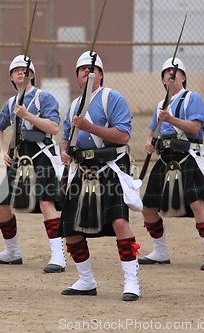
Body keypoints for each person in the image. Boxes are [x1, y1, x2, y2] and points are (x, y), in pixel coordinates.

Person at [59, 51, 140, 301]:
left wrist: (89, 127)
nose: (86, 72)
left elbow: (123, 137)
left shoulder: (111, 98)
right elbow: (65, 136)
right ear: (77, 76)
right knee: (70, 228)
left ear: (101, 74)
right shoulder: (73, 104)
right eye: (82, 69)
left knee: (119, 223)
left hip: (109, 167)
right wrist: (64, 152)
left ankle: (131, 281)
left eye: (91, 69)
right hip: (82, 171)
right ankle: (86, 281)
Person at [0, 55, 66, 273]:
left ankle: (58, 255)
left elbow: (53, 128)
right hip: (20, 158)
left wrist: (27, 115)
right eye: (16, 70)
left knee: (46, 203)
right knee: (0, 206)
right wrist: (1, 150)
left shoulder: (44, 97)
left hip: (42, 154)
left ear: (32, 74)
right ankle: (12, 252)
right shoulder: (10, 103)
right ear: (11, 77)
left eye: (25, 70)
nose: (21, 72)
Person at [138, 57, 204, 271]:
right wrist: (149, 143)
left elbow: (194, 128)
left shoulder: (192, 97)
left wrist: (170, 119)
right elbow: (151, 132)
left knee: (197, 203)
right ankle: (161, 251)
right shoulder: (160, 104)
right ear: (163, 80)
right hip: (165, 158)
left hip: (187, 156)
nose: (170, 75)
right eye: (166, 72)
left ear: (183, 77)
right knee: (147, 207)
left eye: (175, 72)